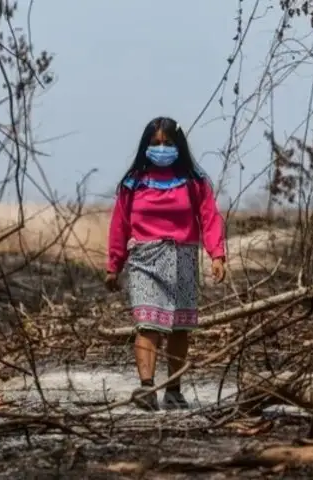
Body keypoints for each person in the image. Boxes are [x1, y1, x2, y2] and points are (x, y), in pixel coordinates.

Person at [105, 116, 226, 411]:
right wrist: (114, 264)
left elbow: (210, 218)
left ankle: (174, 390)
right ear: (146, 146)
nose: (161, 149)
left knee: (179, 327)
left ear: (179, 146)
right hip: (145, 259)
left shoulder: (194, 182)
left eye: (167, 143)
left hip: (182, 259)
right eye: (155, 143)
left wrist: (217, 254)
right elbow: (119, 224)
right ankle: (147, 388)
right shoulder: (133, 183)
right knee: (147, 324)